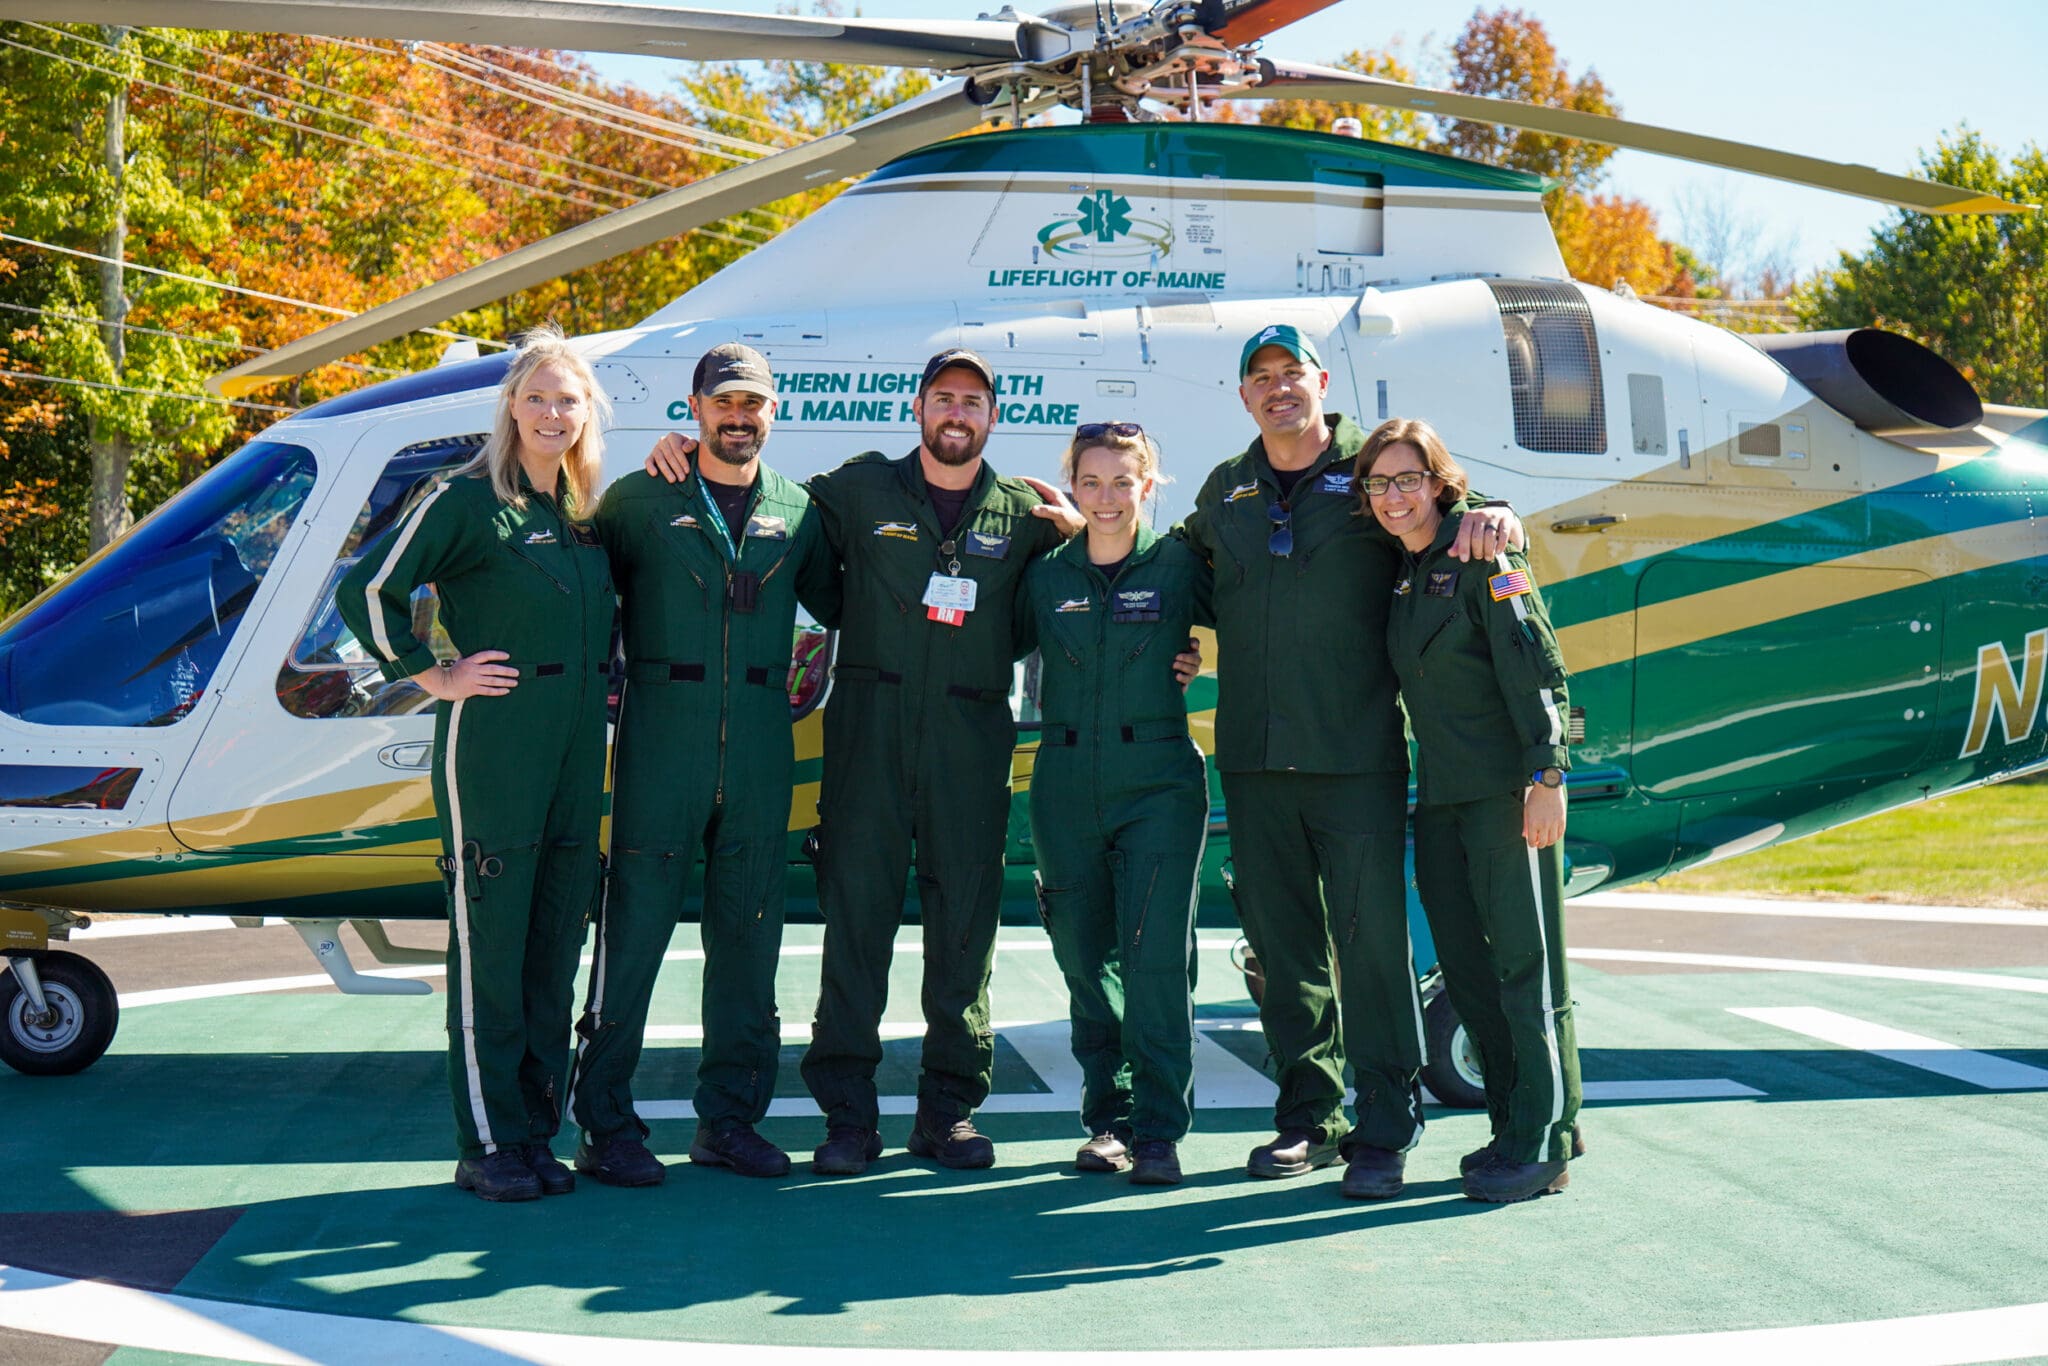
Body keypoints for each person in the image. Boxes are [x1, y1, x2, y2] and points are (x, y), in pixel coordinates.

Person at [1176, 324, 1521, 1200]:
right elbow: (1175, 564)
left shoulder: (1372, 473)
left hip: (1356, 757)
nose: (1278, 388)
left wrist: (1497, 512)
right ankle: (1311, 1118)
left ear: (1321, 382)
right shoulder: (1228, 488)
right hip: (1252, 762)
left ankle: (1385, 1123)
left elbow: (1438, 515)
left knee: (1370, 951)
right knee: (1283, 951)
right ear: (1243, 395)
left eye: (1293, 373)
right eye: (1261, 377)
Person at [338, 324, 613, 1203]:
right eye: (535, 398)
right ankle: (487, 1140)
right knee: (490, 949)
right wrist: (432, 674)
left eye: (567, 400)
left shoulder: (579, 517)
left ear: (586, 413)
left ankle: (534, 1133)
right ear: (509, 407)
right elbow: (368, 587)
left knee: (550, 948)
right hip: (493, 754)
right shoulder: (463, 500)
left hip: (574, 758)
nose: (551, 413)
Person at [568, 343, 840, 1187]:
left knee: (750, 944)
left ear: (772, 412)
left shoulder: (797, 508)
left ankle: (730, 1121)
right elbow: (567, 587)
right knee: (634, 937)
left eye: (753, 404)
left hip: (762, 750)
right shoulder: (641, 498)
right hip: (662, 747)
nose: (738, 417)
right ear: (693, 410)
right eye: (724, 403)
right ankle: (605, 1125)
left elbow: (854, 596)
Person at [1360, 417, 1581, 1204]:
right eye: (1380, 483)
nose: (1395, 497)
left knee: (1527, 967)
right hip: (1444, 800)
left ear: (1440, 483)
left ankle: (1547, 1140)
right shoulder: (1405, 570)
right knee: (1470, 969)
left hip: (1506, 796)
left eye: (1409, 479)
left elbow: (1539, 664)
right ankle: (1518, 1123)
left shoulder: (1488, 551)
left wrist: (1548, 775)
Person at [1017, 422, 1212, 1188]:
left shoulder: (1182, 566)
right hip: (1063, 782)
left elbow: (1277, 603)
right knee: (1083, 960)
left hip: (1159, 781)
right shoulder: (1044, 574)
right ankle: (1109, 1120)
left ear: (1148, 485)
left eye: (1121, 483)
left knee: (1155, 960)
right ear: (1072, 483)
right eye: (1090, 482)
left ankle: (1160, 1132)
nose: (1105, 499)